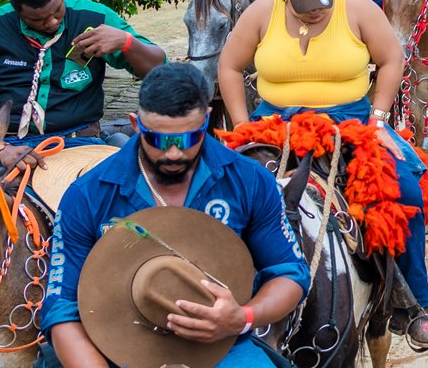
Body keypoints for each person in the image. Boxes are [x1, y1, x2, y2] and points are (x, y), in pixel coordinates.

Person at [215, 0, 428, 346]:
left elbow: (391, 59)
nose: (312, 14)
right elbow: (230, 66)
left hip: (348, 123)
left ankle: (413, 305)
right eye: (301, 8)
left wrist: (380, 119)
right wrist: (241, 126)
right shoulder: (263, 12)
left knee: (402, 190)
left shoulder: (355, 8)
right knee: (219, 191)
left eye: (319, 4)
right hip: (274, 125)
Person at [41, 64, 309, 368]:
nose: (172, 154)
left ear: (206, 120)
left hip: (223, 346)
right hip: (110, 350)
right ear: (135, 123)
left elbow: (289, 272)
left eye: (186, 140)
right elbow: (61, 307)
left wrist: (242, 317)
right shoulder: (87, 194)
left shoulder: (250, 181)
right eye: (157, 140)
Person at [0, 0, 165, 172]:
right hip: (9, 146)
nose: (52, 22)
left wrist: (126, 42)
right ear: (17, 11)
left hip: (79, 142)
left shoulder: (95, 18)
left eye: (57, 11)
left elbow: (160, 71)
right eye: (38, 20)